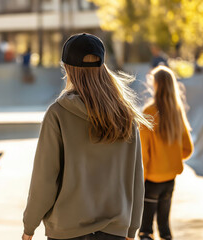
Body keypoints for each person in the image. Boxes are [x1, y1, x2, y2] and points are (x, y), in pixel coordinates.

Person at [22, 33, 151, 240]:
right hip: (114, 232)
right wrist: (132, 228)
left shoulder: (58, 113)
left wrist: (29, 227)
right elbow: (135, 177)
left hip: (67, 231)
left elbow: (44, 178)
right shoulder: (125, 115)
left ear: (67, 69)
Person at [138, 66, 194, 240]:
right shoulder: (176, 111)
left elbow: (143, 153)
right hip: (170, 179)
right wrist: (172, 160)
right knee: (164, 227)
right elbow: (188, 148)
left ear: (155, 86)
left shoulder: (148, 113)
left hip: (152, 180)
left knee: (146, 229)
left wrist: (141, 179)